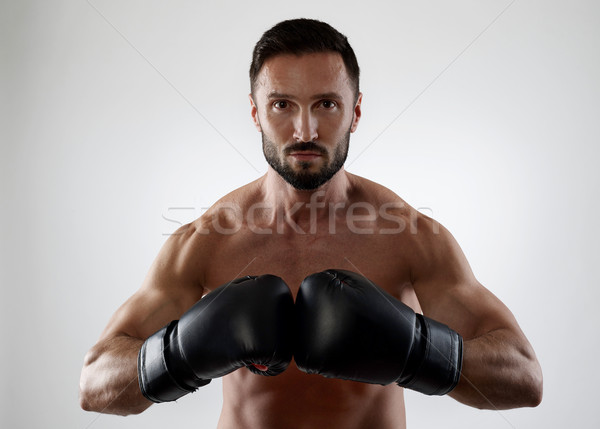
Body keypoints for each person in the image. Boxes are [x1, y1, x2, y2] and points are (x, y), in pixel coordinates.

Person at [79, 18, 543, 428]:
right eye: (282, 105)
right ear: (256, 112)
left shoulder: (410, 238)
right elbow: (95, 385)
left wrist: (416, 349)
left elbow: (524, 378)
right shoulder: (206, 242)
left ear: (355, 112)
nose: (305, 131)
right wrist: (181, 354)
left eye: (326, 104)